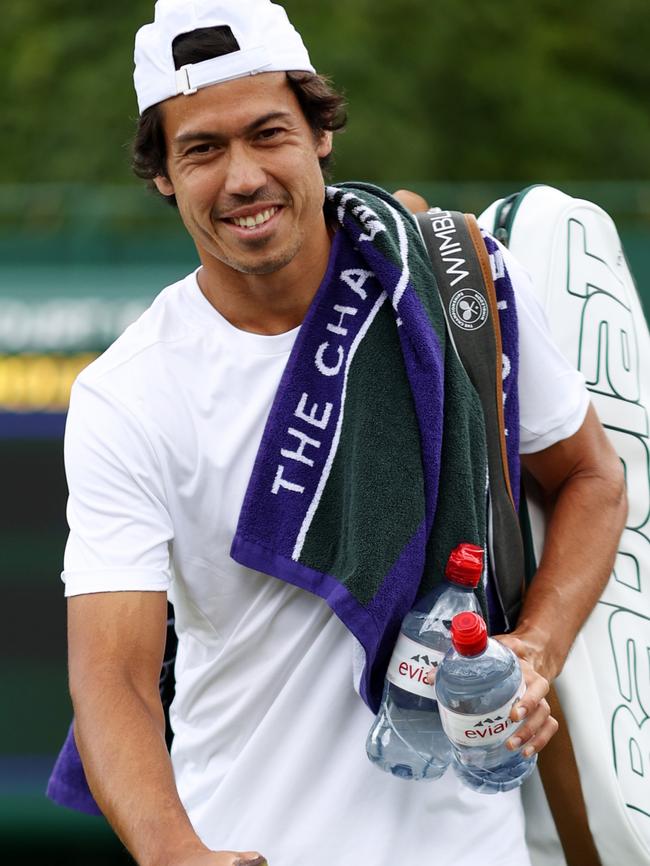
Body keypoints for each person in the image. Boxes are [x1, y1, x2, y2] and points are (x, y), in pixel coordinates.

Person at [61, 2, 627, 865]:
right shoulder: (127, 393)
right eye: (202, 151)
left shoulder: (458, 282)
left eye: (268, 133)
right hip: (246, 844)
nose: (243, 177)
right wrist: (173, 852)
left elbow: (592, 478)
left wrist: (534, 650)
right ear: (164, 177)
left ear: (320, 133)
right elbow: (114, 677)